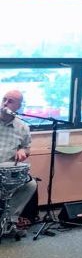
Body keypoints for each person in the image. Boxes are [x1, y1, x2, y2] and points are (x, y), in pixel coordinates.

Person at [0, 89, 36, 230]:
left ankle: (8, 220)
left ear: (18, 107)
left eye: (10, 101)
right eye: (4, 99)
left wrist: (23, 150)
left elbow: (26, 148)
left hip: (6, 171)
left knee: (30, 184)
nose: (5, 103)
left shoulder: (22, 127)